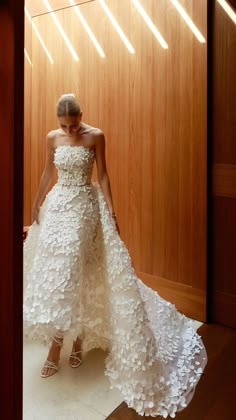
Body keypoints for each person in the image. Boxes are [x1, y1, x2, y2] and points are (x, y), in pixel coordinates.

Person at [23, 93, 207, 418]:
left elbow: (104, 175)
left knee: (76, 270)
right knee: (57, 274)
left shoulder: (95, 135)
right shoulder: (52, 137)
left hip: (84, 210)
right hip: (58, 205)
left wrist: (112, 208)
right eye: (65, 125)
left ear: (82, 116)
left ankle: (66, 341)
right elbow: (46, 173)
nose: (70, 129)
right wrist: (37, 202)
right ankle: (68, 336)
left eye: (74, 123)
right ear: (58, 123)